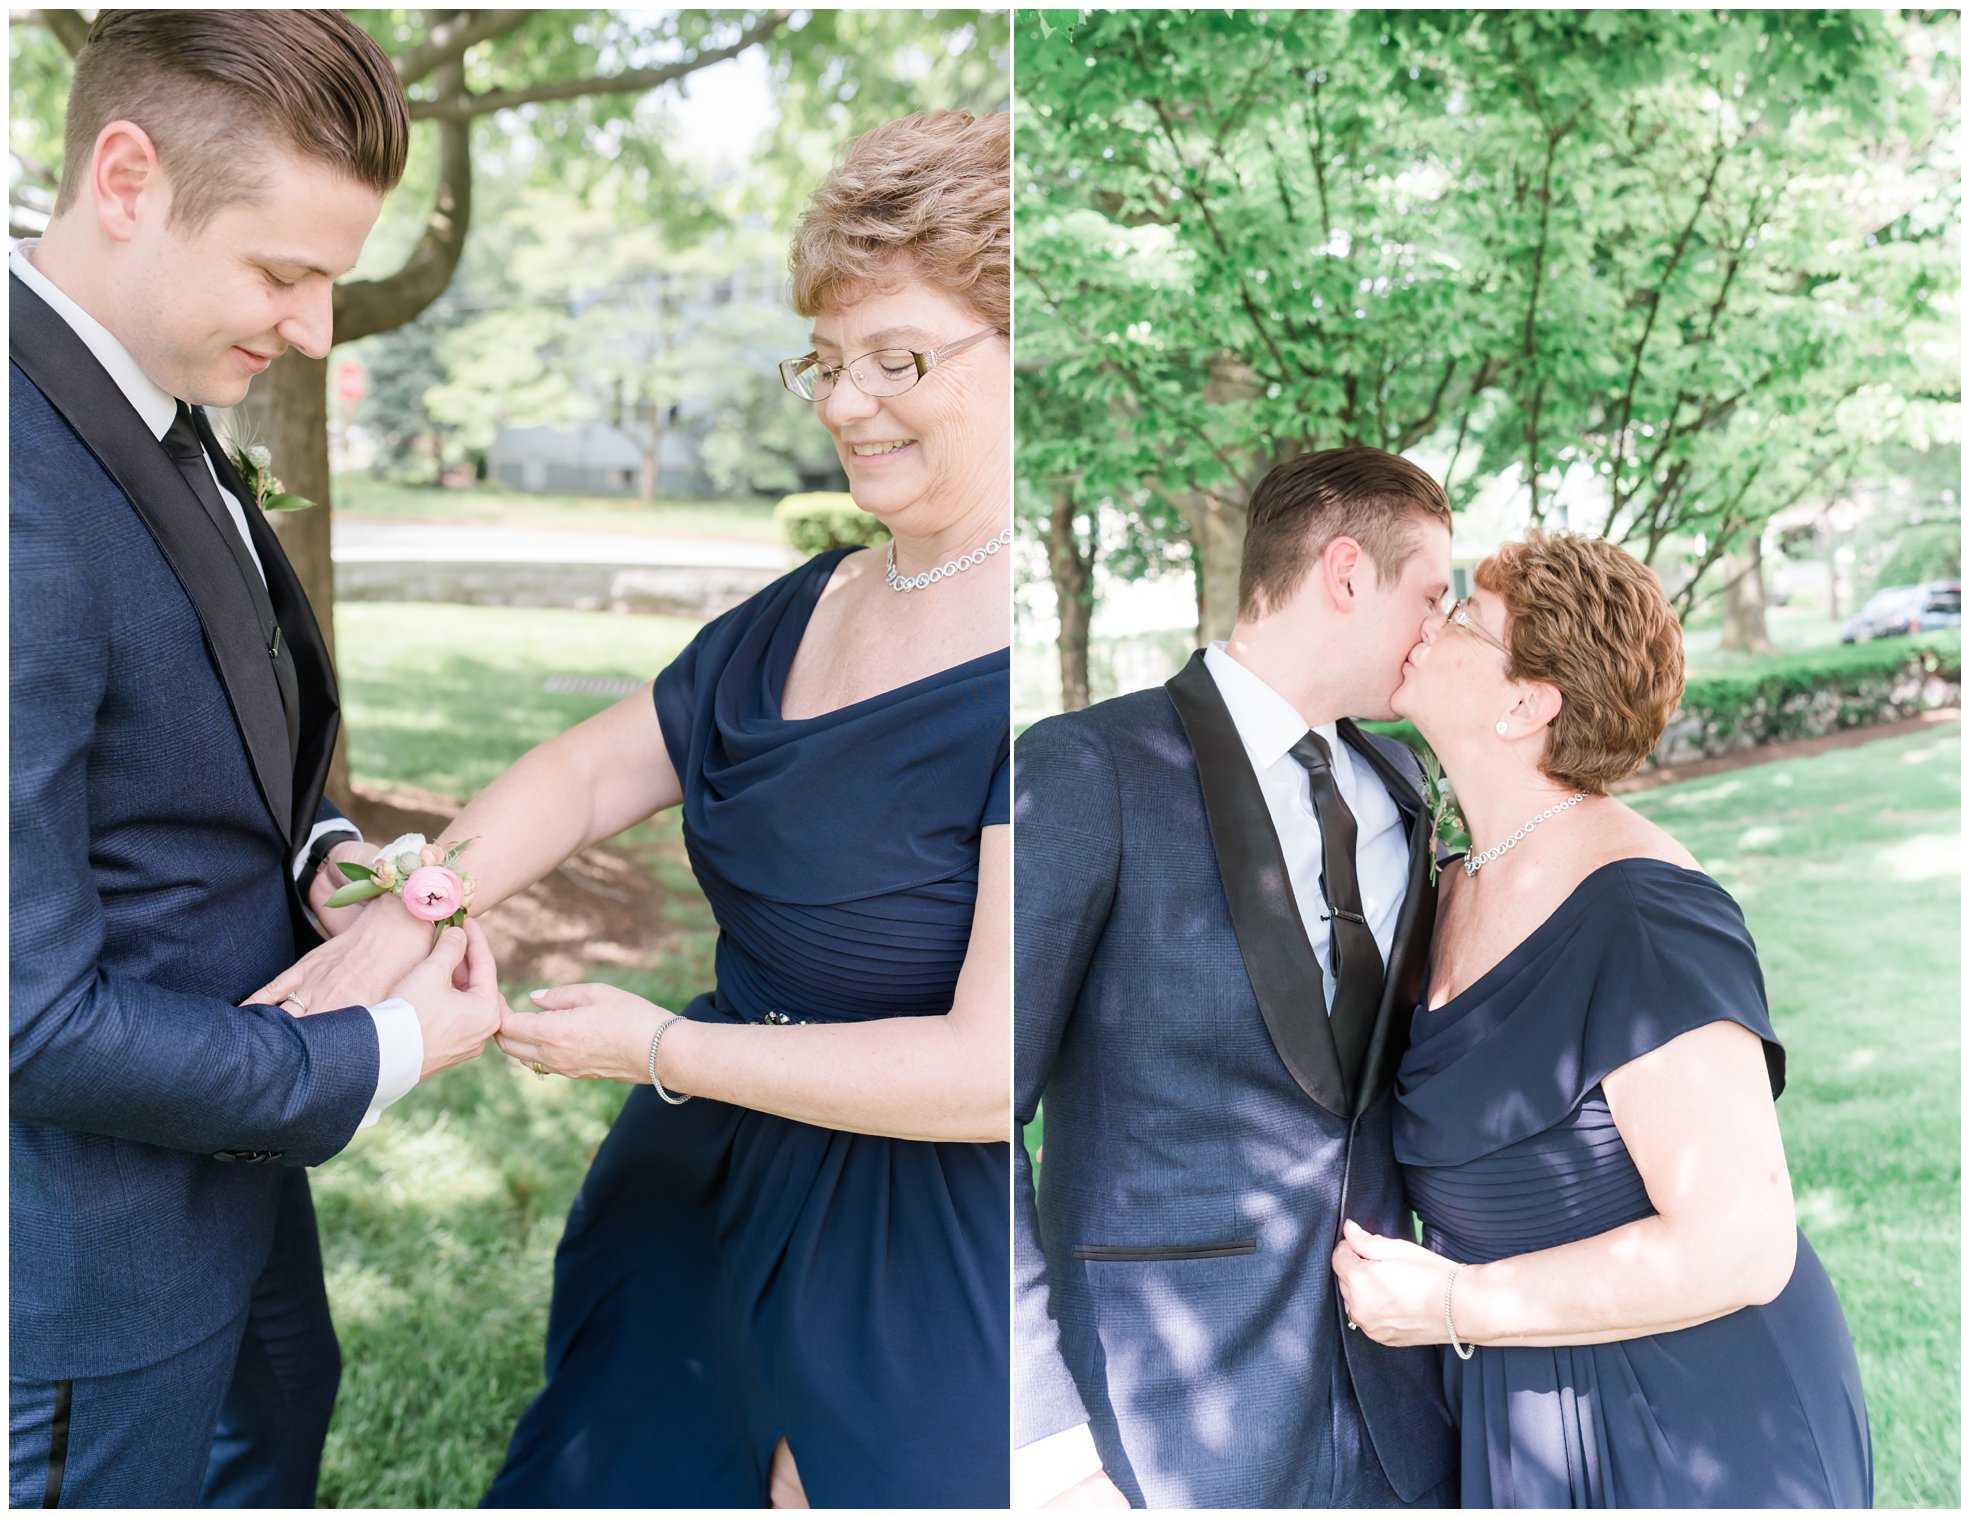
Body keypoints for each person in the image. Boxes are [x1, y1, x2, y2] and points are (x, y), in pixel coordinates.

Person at [263, 108, 1013, 1507]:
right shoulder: (809, 603)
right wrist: (419, 909)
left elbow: (985, 1071)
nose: (849, 402)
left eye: (900, 359)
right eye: (828, 362)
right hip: (701, 1188)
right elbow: (593, 768)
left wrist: (656, 1042)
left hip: (914, 1242)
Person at [8, 12, 503, 1508]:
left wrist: (328, 863)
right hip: (83, 1266)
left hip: (231, 1186)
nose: (311, 330)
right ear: (126, 178)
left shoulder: (149, 396)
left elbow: (209, 741)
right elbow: (27, 1020)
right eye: (283, 273)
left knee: (282, 1430)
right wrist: (395, 1048)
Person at [1333, 531, 1872, 1507]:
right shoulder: (1448, 881)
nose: (1430, 620)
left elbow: (1739, 1245)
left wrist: (1450, 1302)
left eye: (1462, 615)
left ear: (1525, 702)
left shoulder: (1644, 918)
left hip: (1692, 1422)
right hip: (1522, 1409)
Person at [1013, 447, 1462, 1507]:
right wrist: (1043, 1445)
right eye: (1430, 596)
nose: (1438, 630)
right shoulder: (1089, 770)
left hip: (1395, 1414)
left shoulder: (1400, 780)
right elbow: (972, 1118)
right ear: (1345, 574)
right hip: (1158, 1422)